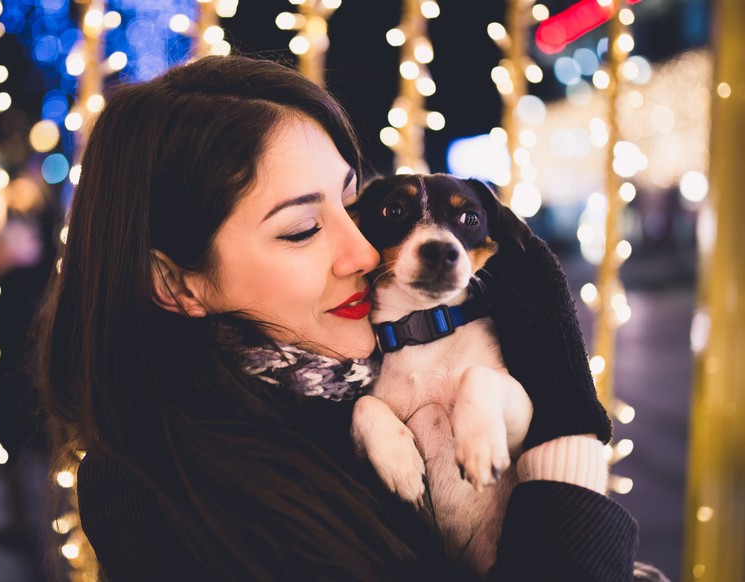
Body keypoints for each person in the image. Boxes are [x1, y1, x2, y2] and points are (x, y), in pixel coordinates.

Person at [34, 54, 641, 581]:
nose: (364, 253)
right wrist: (567, 426)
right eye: (301, 229)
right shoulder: (151, 493)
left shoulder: (378, 369)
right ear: (176, 284)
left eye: (354, 206)